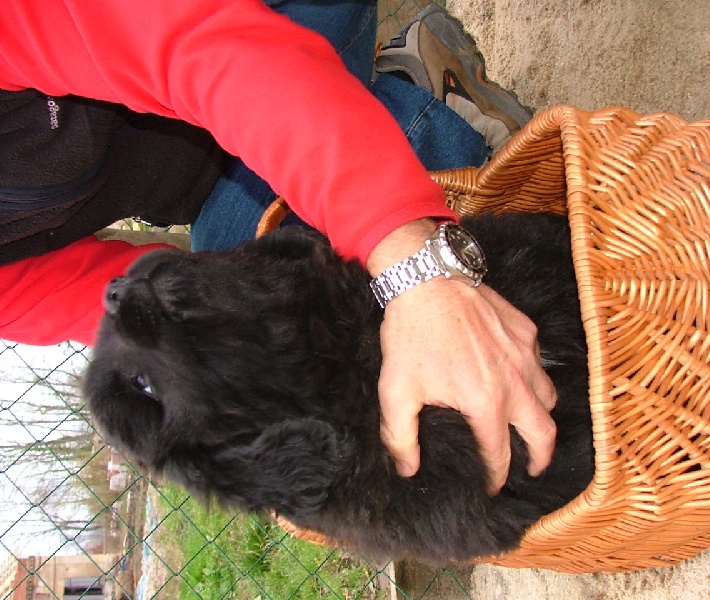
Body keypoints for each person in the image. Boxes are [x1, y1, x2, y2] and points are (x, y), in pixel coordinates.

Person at [0, 0, 557, 494]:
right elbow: (150, 309)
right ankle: (389, 123)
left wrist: (412, 261)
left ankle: (428, 105)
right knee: (268, 267)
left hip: (248, 25)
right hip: (221, 167)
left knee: (364, 249)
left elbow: (206, 49)